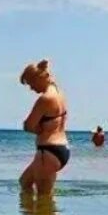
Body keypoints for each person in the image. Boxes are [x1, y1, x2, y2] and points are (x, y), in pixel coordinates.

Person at [19, 59, 70, 196]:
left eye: (31, 83)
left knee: (44, 199)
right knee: (24, 182)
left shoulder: (45, 99)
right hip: (60, 148)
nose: (31, 88)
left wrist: (38, 129)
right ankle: (31, 214)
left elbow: (28, 125)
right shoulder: (60, 93)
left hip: (48, 152)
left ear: (41, 78)